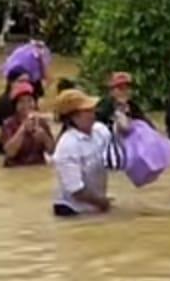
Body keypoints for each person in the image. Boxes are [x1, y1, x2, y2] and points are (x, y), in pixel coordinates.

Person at [52, 88, 126, 217]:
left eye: (92, 110)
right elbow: (76, 190)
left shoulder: (99, 130)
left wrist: (122, 118)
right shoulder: (67, 146)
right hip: (73, 211)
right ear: (73, 117)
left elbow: (118, 147)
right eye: (87, 111)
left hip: (95, 206)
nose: (93, 114)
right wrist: (102, 203)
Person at [1, 80, 55, 166]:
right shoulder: (8, 124)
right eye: (21, 101)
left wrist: (44, 136)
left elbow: (52, 151)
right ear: (15, 106)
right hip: (15, 170)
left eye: (30, 100)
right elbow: (10, 152)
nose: (26, 105)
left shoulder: (41, 122)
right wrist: (22, 129)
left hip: (38, 169)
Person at [0, 66, 36, 154]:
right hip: (7, 148)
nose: (25, 84)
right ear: (11, 82)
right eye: (21, 81)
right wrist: (5, 138)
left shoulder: (29, 98)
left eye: (27, 81)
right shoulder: (4, 101)